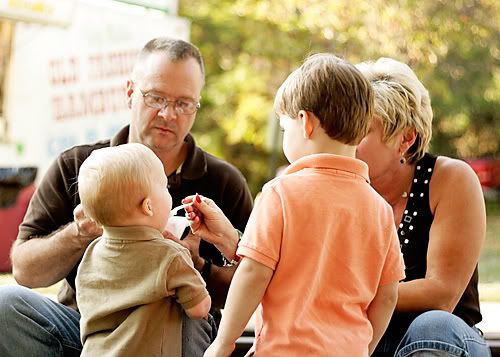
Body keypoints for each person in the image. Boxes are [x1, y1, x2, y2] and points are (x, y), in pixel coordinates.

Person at [0, 37, 253, 357]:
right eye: (156, 97)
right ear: (131, 92)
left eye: (183, 103)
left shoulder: (223, 181)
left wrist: (197, 266)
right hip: (90, 332)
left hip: (175, 331)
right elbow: (24, 271)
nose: (168, 114)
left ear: (196, 105)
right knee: (6, 308)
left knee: (189, 318)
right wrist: (79, 234)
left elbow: (254, 283)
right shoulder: (78, 166)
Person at [183, 53, 406, 356]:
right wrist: (364, 348)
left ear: (305, 122)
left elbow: (253, 274)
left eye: (284, 128)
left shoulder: (280, 194)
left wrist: (223, 342)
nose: (285, 135)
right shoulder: (379, 208)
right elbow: (387, 294)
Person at [355, 57, 490, 356]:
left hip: (443, 342)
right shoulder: (340, 185)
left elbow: (442, 293)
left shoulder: (450, 179)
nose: (346, 139)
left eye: (360, 131)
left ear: (405, 138)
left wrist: (347, 293)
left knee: (433, 327)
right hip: (363, 337)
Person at [76, 143, 211, 356]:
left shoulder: (91, 254)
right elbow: (199, 309)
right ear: (148, 206)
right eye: (165, 187)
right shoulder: (169, 254)